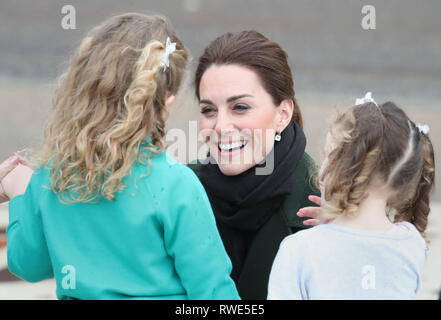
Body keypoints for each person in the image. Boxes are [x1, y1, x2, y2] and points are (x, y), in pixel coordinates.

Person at [1, 13, 239, 300]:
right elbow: (213, 294)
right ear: (166, 102)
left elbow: (29, 265)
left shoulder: (51, 177)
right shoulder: (176, 185)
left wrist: (20, 194)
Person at [189, 30, 320, 299]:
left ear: (283, 114)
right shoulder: (181, 193)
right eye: (208, 110)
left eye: (240, 107)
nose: (221, 127)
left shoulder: (327, 208)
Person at [267, 93, 435, 299]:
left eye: (329, 152)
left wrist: (334, 228)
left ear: (345, 169)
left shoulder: (300, 249)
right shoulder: (411, 243)